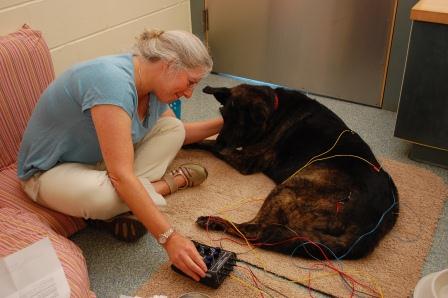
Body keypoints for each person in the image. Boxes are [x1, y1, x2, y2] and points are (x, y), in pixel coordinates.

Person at [17, 28, 223, 282]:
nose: (190, 93)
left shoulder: (155, 88)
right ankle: (168, 185)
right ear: (168, 65)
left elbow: (183, 134)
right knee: (103, 195)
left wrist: (223, 123)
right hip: (48, 173)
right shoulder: (111, 82)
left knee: (173, 129)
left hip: (97, 161)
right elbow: (121, 175)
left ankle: (130, 200)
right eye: (190, 82)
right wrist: (170, 238)